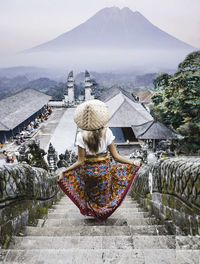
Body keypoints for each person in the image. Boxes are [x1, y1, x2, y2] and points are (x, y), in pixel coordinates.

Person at [57, 100, 141, 222]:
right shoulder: (107, 133)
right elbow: (116, 157)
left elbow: (80, 162)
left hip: (88, 173)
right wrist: (133, 163)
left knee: (91, 193)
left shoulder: (81, 136)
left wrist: (64, 171)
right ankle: (103, 212)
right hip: (104, 172)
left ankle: (93, 211)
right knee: (105, 192)